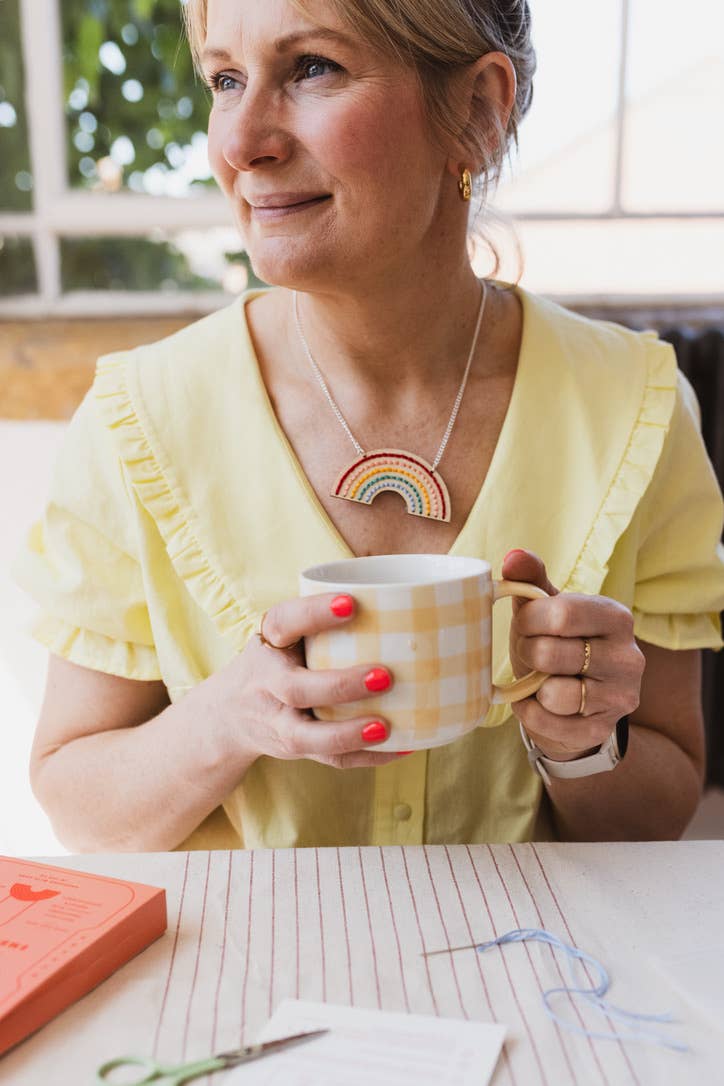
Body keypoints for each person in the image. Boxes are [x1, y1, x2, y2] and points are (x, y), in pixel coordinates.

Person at [12, 0, 724, 853]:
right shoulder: (139, 418)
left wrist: (581, 745)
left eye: (312, 68)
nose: (241, 145)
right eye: (225, 80)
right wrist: (226, 719)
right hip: (244, 981)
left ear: (478, 111)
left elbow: (661, 810)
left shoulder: (637, 407)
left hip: (529, 978)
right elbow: (79, 809)